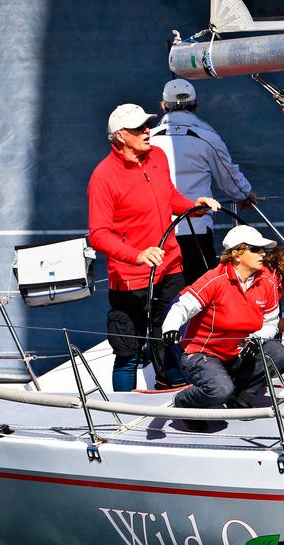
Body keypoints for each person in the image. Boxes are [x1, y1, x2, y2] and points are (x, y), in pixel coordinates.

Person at [88, 103, 220, 391]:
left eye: (147, 124)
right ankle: (123, 416)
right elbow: (97, 235)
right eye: (138, 128)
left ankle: (177, 401)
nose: (147, 131)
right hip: (130, 280)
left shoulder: (157, 156)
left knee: (174, 339)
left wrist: (193, 207)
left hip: (172, 267)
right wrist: (136, 255)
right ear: (121, 136)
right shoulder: (103, 176)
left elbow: (169, 195)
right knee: (128, 353)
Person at [161, 225, 284, 421]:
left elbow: (271, 323)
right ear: (237, 255)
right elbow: (181, 307)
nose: (263, 253)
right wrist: (170, 328)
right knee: (220, 390)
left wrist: (256, 339)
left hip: (236, 354)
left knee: (277, 352)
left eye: (264, 249)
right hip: (202, 355)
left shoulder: (268, 283)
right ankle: (182, 403)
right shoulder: (214, 279)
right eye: (256, 249)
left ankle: (240, 399)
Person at [149, 78, 257, 286]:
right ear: (196, 105)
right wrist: (245, 194)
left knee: (160, 297)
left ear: (163, 106)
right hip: (195, 232)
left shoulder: (148, 139)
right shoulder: (207, 137)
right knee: (201, 294)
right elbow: (230, 181)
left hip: (158, 233)